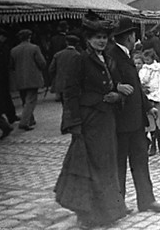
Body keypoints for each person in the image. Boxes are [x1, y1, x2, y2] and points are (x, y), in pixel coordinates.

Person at [54, 12, 128, 228]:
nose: (101, 41)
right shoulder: (80, 60)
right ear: (87, 39)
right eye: (97, 37)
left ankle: (108, 211)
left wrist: (117, 95)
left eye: (104, 37)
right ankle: (87, 215)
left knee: (106, 164)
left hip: (106, 120)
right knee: (90, 167)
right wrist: (74, 124)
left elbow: (112, 85)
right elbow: (71, 93)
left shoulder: (108, 59)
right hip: (89, 121)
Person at [107, 18, 160, 213]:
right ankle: (119, 204)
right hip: (120, 119)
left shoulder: (126, 55)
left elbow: (136, 87)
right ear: (129, 37)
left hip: (135, 120)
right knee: (120, 164)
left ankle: (146, 200)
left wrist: (147, 107)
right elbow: (108, 82)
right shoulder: (113, 55)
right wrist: (116, 87)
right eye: (133, 35)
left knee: (140, 160)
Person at [10, 29, 47, 131]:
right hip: (32, 78)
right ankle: (24, 122)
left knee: (24, 100)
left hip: (20, 79)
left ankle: (30, 119)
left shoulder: (13, 50)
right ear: (29, 37)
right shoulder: (34, 48)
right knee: (30, 101)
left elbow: (11, 66)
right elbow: (42, 63)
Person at [139, 49, 160, 156]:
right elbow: (142, 80)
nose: (146, 62)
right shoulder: (145, 69)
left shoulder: (157, 69)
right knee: (148, 124)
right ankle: (148, 143)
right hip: (147, 97)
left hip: (155, 97)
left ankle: (158, 142)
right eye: (145, 60)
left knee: (157, 123)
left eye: (148, 60)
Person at [0, 28, 18, 125]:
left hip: (3, 75)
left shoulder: (3, 47)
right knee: (5, 96)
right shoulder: (3, 47)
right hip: (2, 75)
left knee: (5, 96)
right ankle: (10, 116)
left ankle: (10, 116)